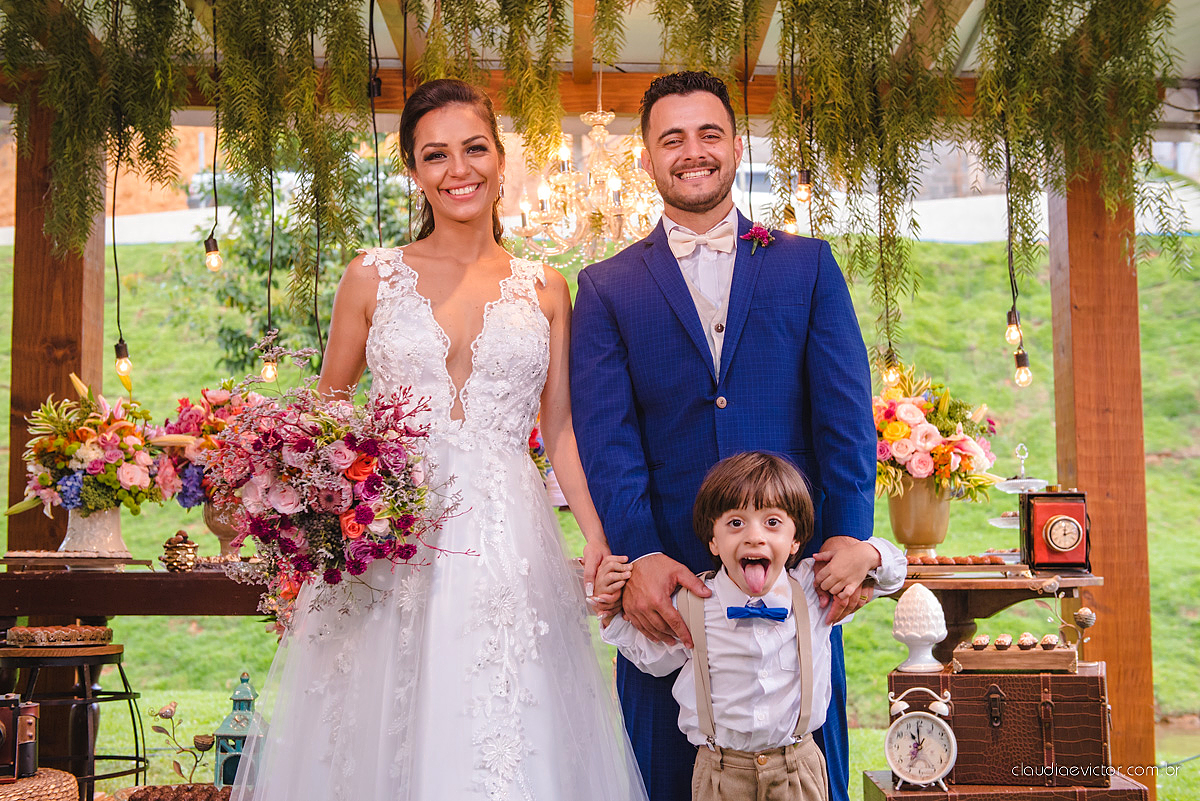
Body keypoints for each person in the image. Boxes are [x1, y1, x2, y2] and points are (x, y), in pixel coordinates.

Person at [232, 78, 647, 801]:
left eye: (475, 148)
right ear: (414, 171)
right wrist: (322, 525)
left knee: (506, 720)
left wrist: (596, 536)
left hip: (506, 538)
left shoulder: (546, 287)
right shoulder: (370, 276)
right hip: (389, 542)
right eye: (436, 154)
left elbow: (560, 427)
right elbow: (327, 419)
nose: (460, 169)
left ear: (500, 156)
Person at [570, 71, 880, 801]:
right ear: (646, 158)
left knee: (806, 775)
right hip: (668, 594)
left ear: (737, 147)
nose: (693, 151)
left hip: (789, 576)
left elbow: (844, 419)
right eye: (671, 138)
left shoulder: (808, 266)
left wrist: (852, 542)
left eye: (709, 133)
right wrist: (641, 554)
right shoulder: (606, 287)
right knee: (665, 781)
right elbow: (606, 437)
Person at [595, 452, 905, 801]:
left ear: (795, 542)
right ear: (713, 540)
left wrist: (868, 554)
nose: (754, 537)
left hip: (797, 769)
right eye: (736, 523)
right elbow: (653, 658)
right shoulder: (695, 601)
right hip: (720, 773)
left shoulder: (813, 591)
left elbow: (895, 573)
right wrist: (612, 612)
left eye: (772, 522)